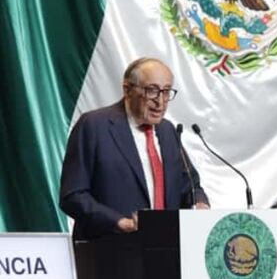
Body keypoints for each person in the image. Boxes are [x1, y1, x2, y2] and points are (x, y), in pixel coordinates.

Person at [59, 57, 208, 240]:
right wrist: (120, 222)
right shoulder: (94, 126)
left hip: (165, 249)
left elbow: (191, 186)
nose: (160, 102)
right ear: (127, 89)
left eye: (166, 92)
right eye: (152, 91)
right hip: (110, 249)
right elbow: (73, 196)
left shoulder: (168, 131)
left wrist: (200, 203)